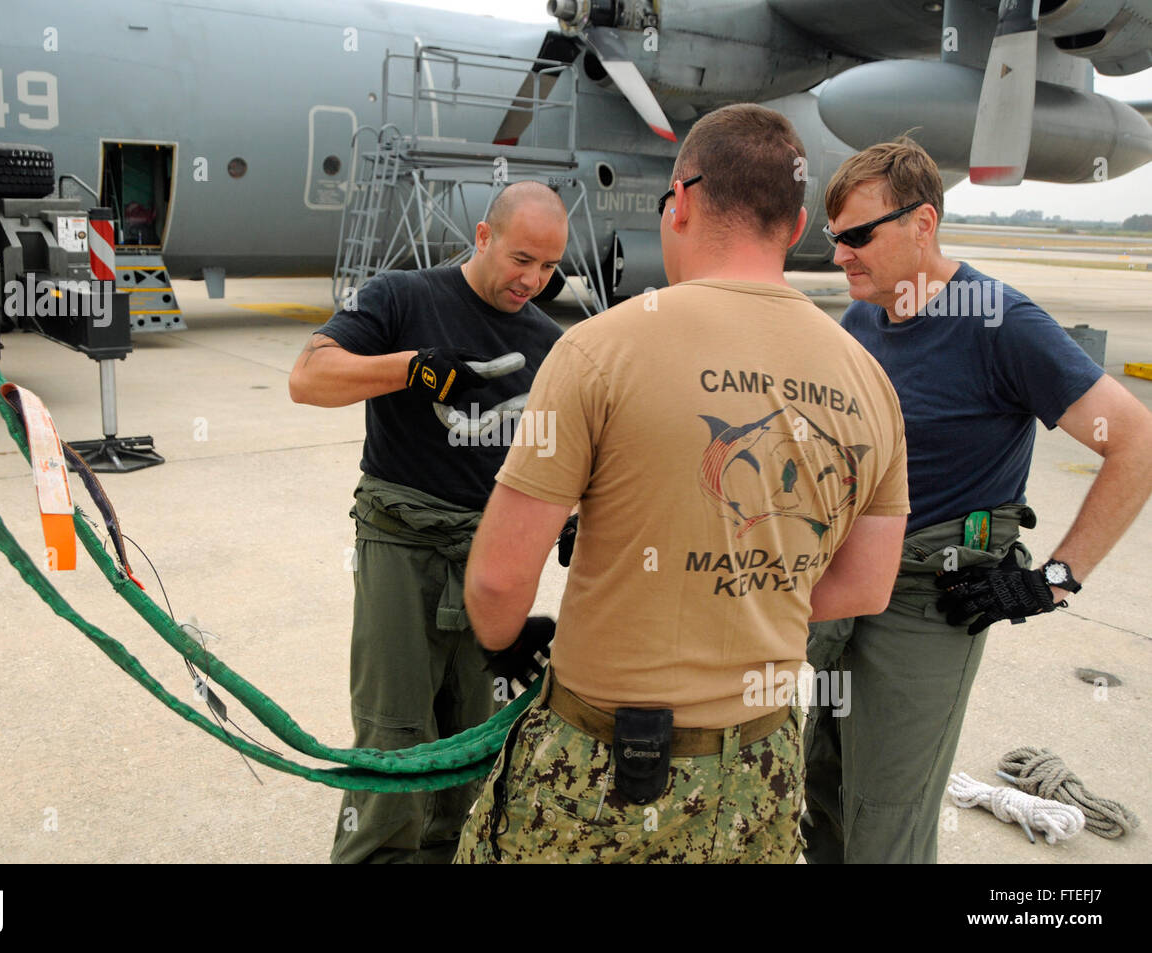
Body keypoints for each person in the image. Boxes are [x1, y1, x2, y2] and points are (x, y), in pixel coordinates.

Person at [452, 103, 911, 865]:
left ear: (684, 201)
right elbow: (867, 584)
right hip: (761, 769)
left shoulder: (597, 350)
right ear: (796, 228)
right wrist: (748, 589)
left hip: (604, 768)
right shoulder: (870, 380)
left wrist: (504, 642)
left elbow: (499, 580)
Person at [801, 137, 1152, 864]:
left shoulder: (1001, 322)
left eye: (858, 237)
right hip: (846, 592)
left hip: (928, 605)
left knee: (884, 822)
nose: (841, 257)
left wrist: (1053, 580)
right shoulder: (866, 318)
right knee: (824, 794)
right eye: (835, 239)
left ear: (922, 223)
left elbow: (1137, 442)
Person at [288, 180, 569, 864]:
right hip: (400, 538)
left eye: (548, 267)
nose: (531, 279)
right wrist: (412, 369)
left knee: (476, 738)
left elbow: (560, 449)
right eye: (521, 258)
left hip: (490, 554)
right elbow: (308, 376)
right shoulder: (399, 295)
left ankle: (452, 851)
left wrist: (570, 517)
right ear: (483, 236)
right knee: (393, 733)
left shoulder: (550, 343)